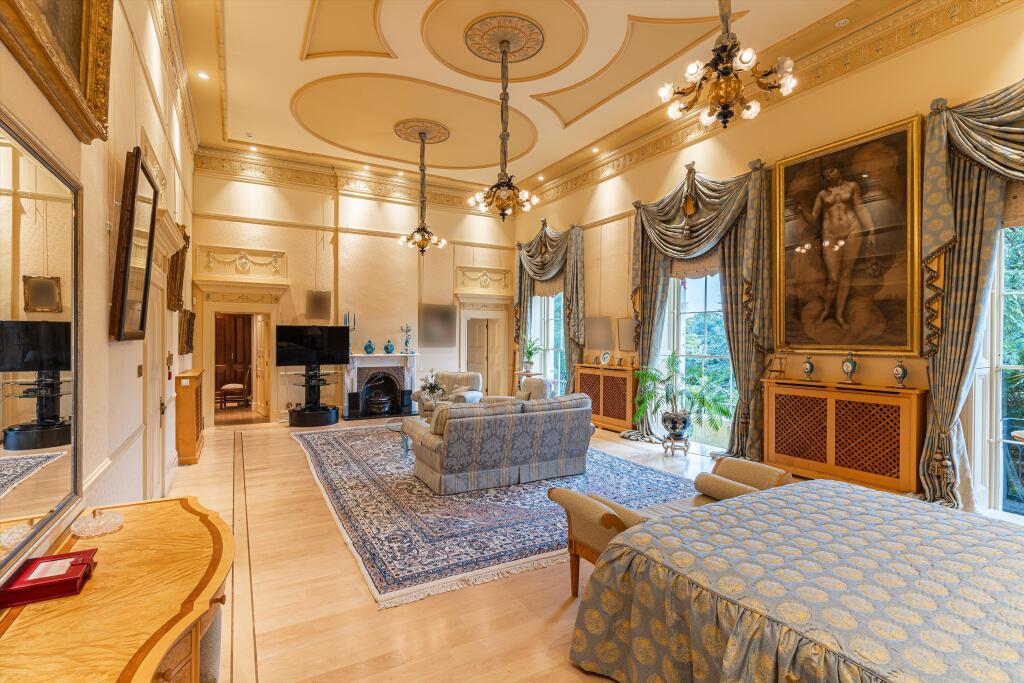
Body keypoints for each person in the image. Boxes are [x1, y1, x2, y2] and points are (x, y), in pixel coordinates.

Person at [795, 166, 877, 328]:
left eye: (832, 170)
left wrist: (872, 229)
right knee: (833, 278)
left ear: (838, 170)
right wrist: (802, 210)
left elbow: (860, 207)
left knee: (846, 274)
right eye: (826, 174)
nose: (829, 175)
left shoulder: (852, 186)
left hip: (852, 230)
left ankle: (839, 315)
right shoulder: (822, 194)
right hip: (830, 235)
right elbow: (813, 219)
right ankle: (826, 311)